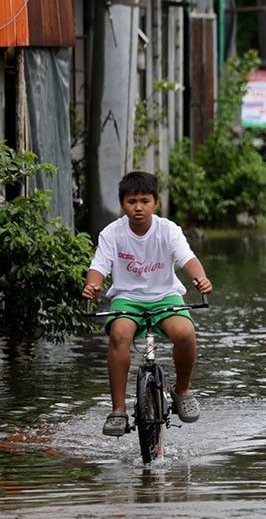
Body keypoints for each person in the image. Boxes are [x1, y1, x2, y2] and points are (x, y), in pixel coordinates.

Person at [82, 171, 213, 437]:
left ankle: (182, 391)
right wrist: (92, 286)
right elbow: (98, 267)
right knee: (119, 335)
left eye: (144, 201)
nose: (138, 207)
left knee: (186, 333)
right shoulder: (112, 233)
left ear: (155, 202)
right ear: (123, 204)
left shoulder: (168, 230)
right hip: (127, 299)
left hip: (165, 295)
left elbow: (187, 259)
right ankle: (118, 410)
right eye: (132, 202)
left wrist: (201, 279)